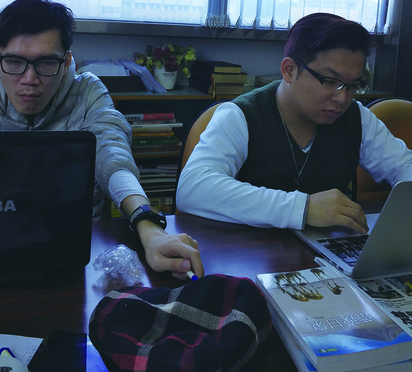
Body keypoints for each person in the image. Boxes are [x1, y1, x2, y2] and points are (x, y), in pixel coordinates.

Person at [0, 0, 203, 279]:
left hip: (72, 257)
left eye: (46, 63)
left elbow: (112, 151)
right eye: (14, 62)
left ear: (66, 62)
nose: (29, 79)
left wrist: (148, 225)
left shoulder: (87, 92)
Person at [176, 13, 412, 233]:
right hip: (248, 252)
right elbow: (193, 188)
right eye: (330, 81)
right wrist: (303, 208)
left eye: (352, 86)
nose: (342, 98)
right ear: (289, 70)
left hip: (325, 251)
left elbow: (405, 166)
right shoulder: (240, 116)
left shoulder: (356, 117)